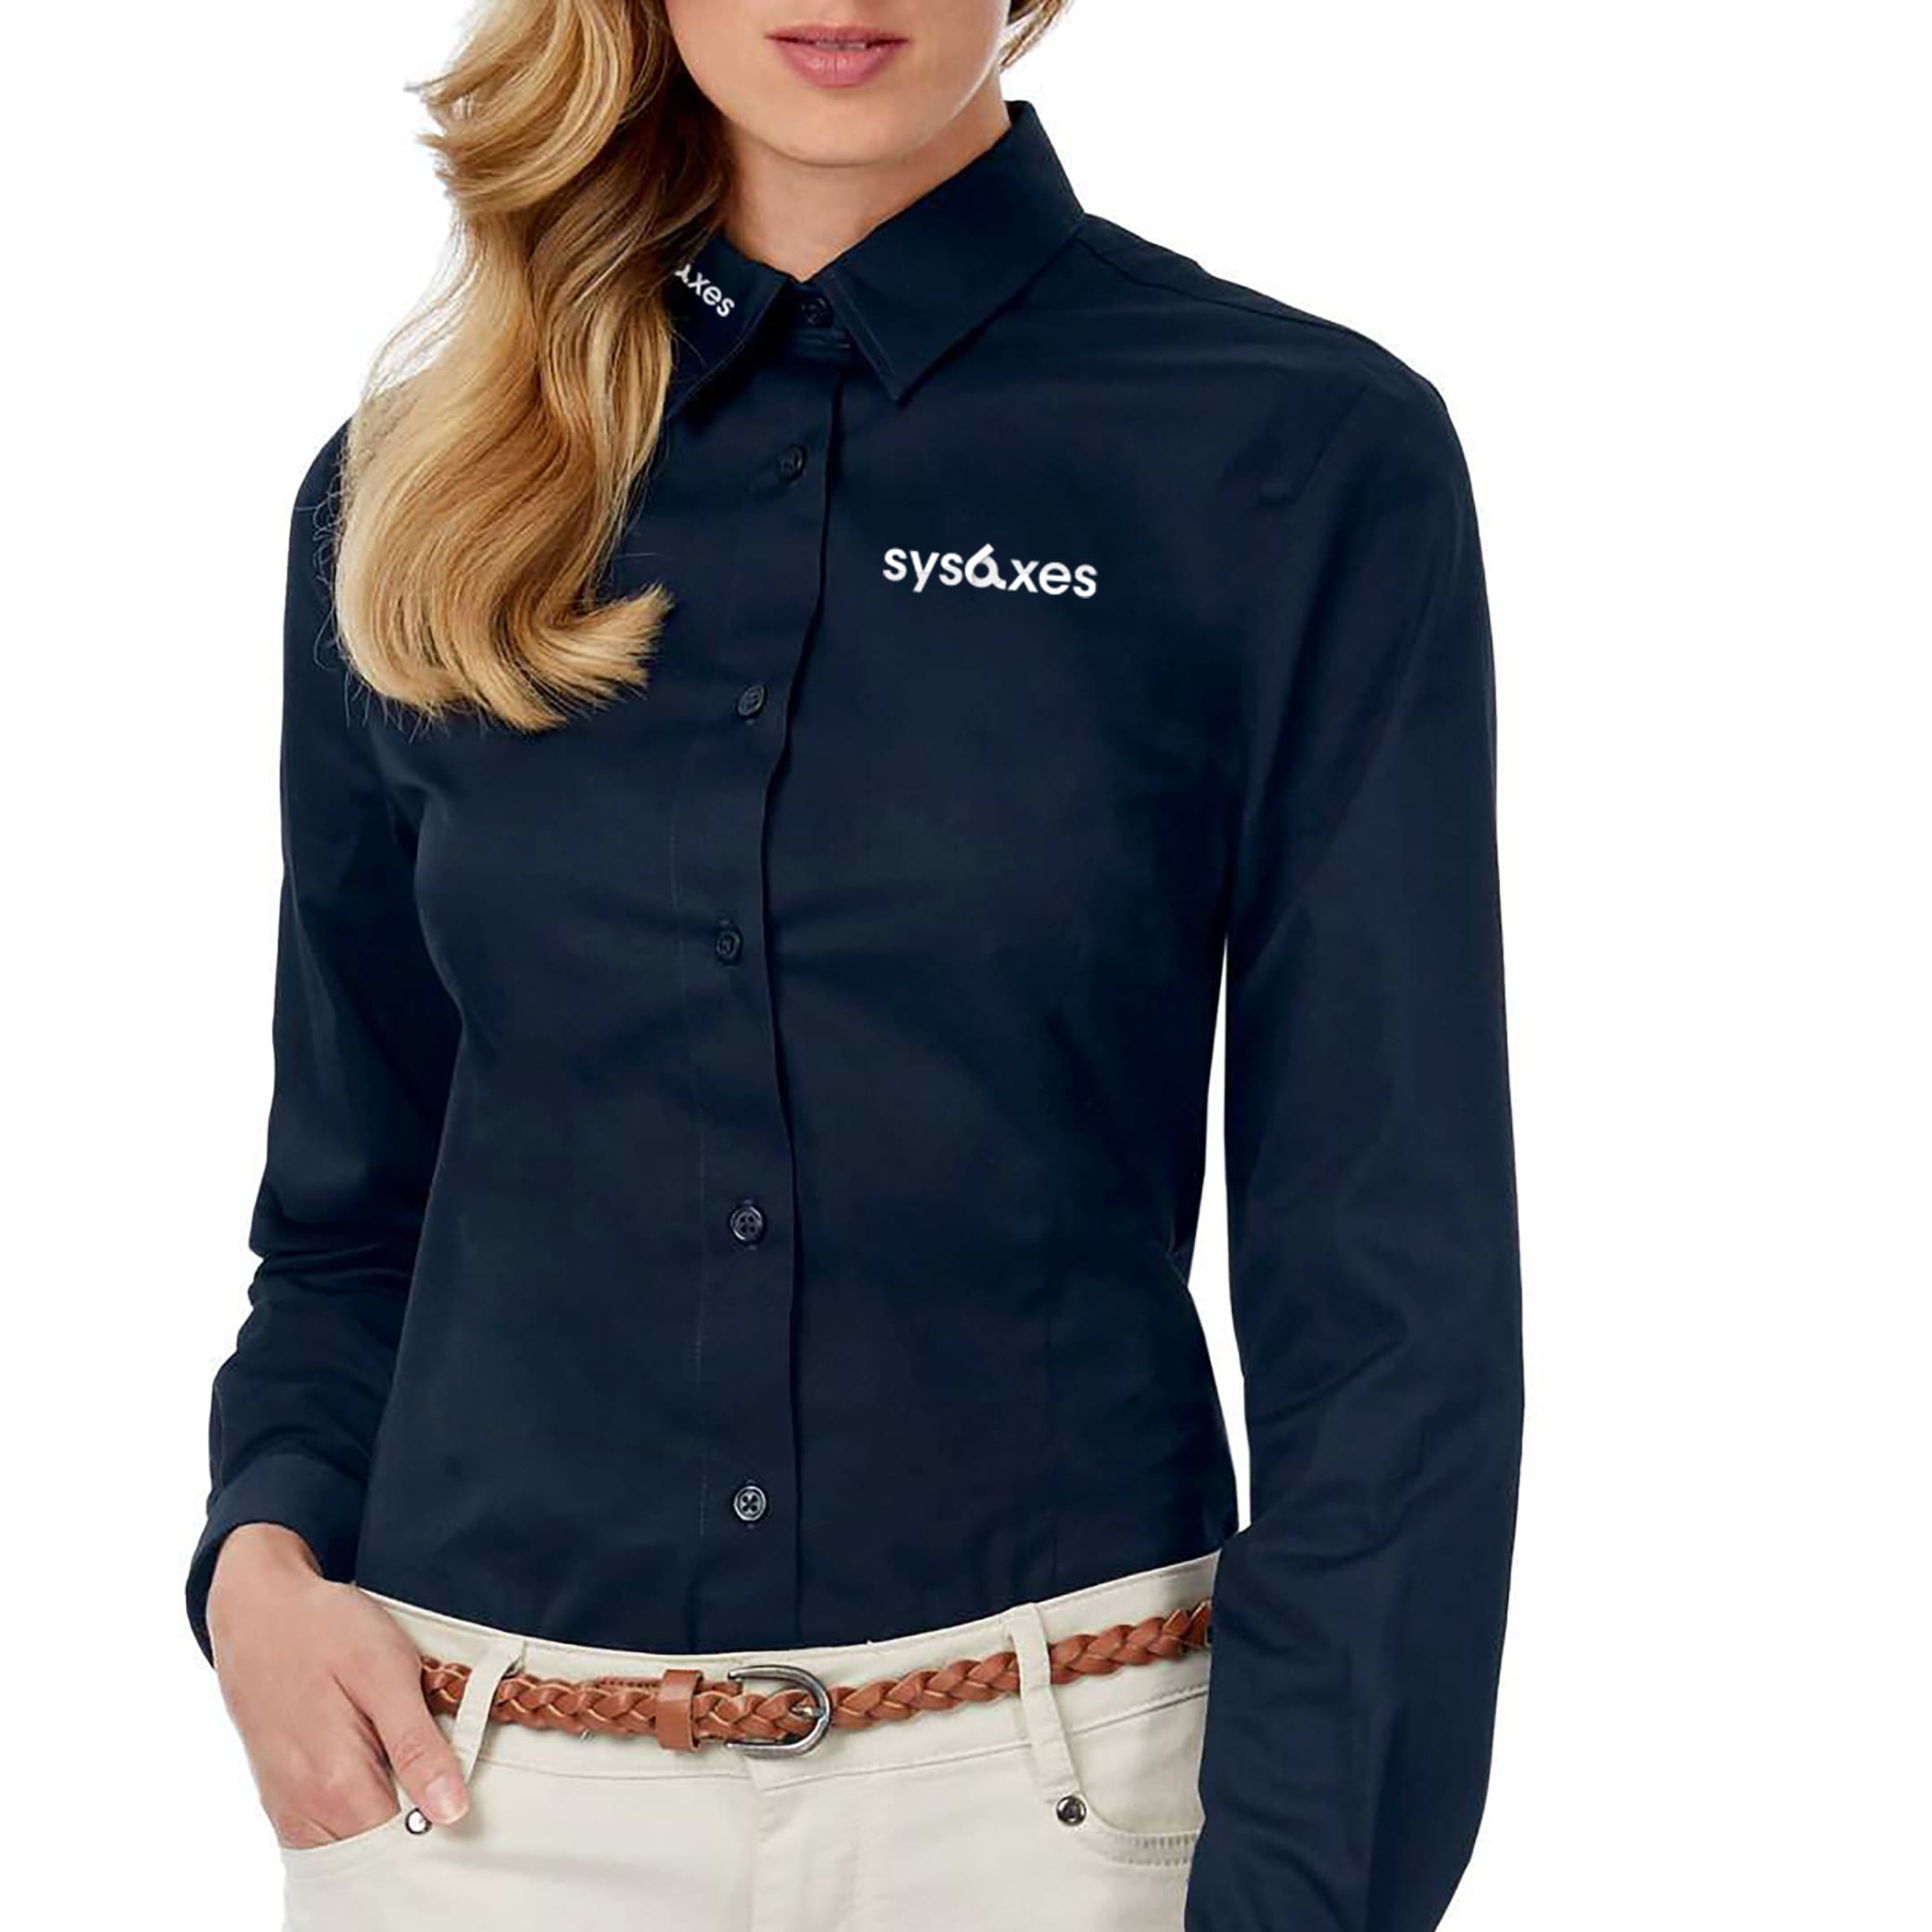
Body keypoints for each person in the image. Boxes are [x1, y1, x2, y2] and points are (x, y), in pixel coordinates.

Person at [191, 4, 1524, 1928]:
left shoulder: (1291, 456)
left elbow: (1391, 1293)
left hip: (1069, 1817)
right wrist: (259, 1559)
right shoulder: (413, 485)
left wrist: (1309, 1889)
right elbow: (349, 1207)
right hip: (474, 1808)